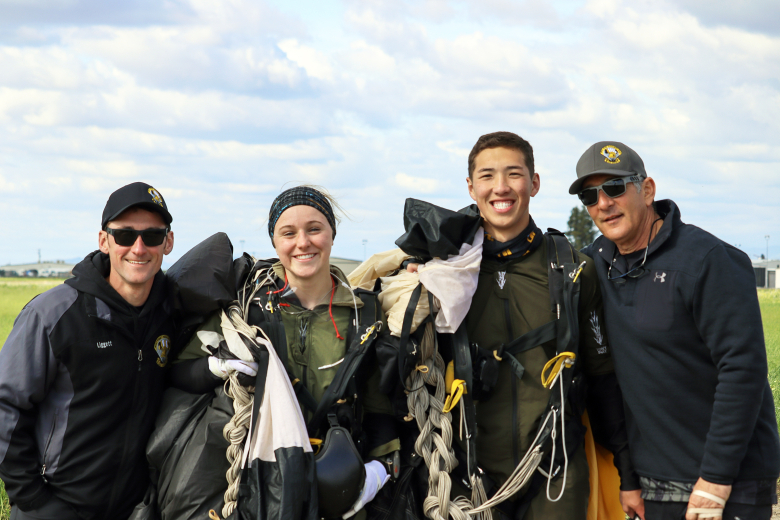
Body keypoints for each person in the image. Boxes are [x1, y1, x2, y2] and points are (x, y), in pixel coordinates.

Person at [569, 141, 780, 520]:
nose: (603, 203)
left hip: (729, 487)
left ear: (647, 190)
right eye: (590, 195)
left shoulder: (709, 261)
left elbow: (742, 370)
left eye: (615, 188)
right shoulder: (595, 264)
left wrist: (715, 481)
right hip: (656, 487)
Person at [436, 131, 637, 519]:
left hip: (555, 475)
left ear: (534, 183)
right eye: (487, 176)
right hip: (466, 476)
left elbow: (602, 379)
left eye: (513, 174)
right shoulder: (443, 272)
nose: (501, 188)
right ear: (470, 187)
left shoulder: (575, 270)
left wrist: (627, 471)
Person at [170, 186, 399, 519]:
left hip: (340, 483)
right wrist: (216, 367)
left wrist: (380, 469)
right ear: (275, 242)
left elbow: (379, 403)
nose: (302, 242)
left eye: (314, 229)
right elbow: (178, 372)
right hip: (258, 485)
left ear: (332, 235)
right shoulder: (244, 311)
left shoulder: (365, 313)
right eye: (288, 233)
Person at [0, 182, 176, 520]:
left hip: (133, 511)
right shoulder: (54, 315)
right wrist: (34, 500)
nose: (138, 248)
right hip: (53, 509)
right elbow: (6, 405)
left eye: (152, 236)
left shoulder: (172, 314)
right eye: (124, 235)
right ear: (103, 240)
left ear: (168, 242)